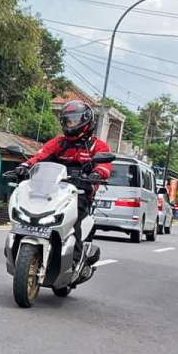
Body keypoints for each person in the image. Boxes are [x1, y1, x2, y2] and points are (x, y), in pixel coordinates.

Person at [16, 101, 112, 254]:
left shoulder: (97, 146)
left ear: (86, 120)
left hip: (80, 191)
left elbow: (105, 166)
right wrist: (25, 166)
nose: (70, 124)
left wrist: (97, 173)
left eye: (74, 120)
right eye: (67, 120)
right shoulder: (59, 142)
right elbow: (41, 155)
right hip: (52, 189)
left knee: (75, 219)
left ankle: (76, 255)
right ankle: (17, 244)